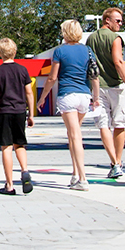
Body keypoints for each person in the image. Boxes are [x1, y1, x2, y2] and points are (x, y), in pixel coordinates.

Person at [41, 18, 101, 189]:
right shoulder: (88, 50)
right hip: (84, 95)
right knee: (72, 135)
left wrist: (43, 96)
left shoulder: (60, 51)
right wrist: (95, 98)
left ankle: (82, 178)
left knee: (75, 136)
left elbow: (52, 78)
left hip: (67, 95)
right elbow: (94, 76)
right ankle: (75, 174)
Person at [86, 7, 125, 179]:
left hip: (97, 86)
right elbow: (118, 61)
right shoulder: (115, 38)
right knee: (120, 123)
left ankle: (112, 161)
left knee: (104, 125)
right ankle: (118, 161)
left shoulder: (91, 38)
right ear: (107, 20)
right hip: (116, 86)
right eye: (118, 20)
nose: (120, 24)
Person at [0, 38, 35, 195]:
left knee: (6, 147)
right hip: (20, 111)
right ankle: (25, 170)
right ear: (15, 52)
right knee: (19, 144)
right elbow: (29, 92)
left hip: (4, 112)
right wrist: (31, 114)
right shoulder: (22, 70)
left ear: (0, 53)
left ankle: (9, 185)